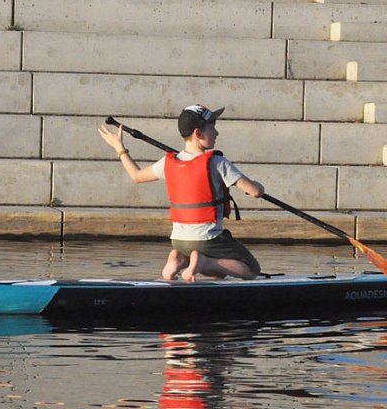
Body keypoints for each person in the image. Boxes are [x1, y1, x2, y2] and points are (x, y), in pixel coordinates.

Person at [98, 105, 263, 282]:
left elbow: (136, 176)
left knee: (221, 270)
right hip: (208, 238)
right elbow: (254, 192)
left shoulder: (168, 162)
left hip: (178, 240)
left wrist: (120, 149)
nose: (216, 133)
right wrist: (259, 186)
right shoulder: (217, 162)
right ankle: (203, 262)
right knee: (252, 270)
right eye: (212, 128)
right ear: (198, 134)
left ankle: (180, 259)